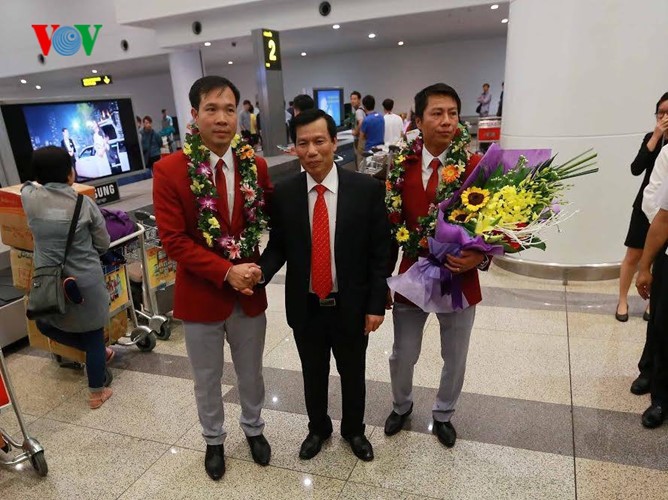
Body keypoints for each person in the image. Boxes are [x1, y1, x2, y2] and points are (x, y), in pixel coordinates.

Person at [152, 76, 273, 481]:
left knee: (251, 372)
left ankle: (254, 429)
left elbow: (268, 220)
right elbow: (173, 241)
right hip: (202, 297)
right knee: (206, 377)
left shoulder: (255, 165)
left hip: (250, 296)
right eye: (211, 109)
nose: (222, 118)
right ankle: (214, 440)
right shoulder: (170, 170)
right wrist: (226, 271)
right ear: (194, 115)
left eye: (228, 109)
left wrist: (255, 271)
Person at [256, 109, 390, 462]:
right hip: (307, 304)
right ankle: (318, 428)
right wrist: (259, 273)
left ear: (335, 142)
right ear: (294, 149)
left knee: (353, 372)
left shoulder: (365, 190)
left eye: (319, 141)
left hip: (351, 304)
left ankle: (354, 430)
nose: (312, 150)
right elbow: (279, 247)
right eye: (303, 143)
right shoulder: (284, 194)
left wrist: (376, 304)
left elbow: (381, 252)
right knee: (312, 372)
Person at [384, 83, 487, 448]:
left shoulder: (476, 167)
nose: (446, 122)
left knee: (455, 355)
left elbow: (498, 224)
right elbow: (387, 224)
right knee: (403, 352)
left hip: (460, 276)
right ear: (418, 120)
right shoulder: (400, 165)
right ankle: (401, 405)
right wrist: (384, 279)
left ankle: (444, 414)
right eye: (437, 114)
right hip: (412, 275)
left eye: (453, 114)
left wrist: (481, 255)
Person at [21, 146, 113, 409]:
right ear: (70, 174)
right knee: (94, 336)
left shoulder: (30, 199)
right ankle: (97, 392)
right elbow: (103, 243)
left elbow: (25, 185)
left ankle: (94, 355)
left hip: (48, 282)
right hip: (85, 283)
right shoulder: (85, 204)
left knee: (45, 324)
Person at [617, 93, 668, 324]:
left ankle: (652, 301)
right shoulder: (652, 138)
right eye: (661, 113)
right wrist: (656, 136)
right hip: (643, 207)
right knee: (633, 254)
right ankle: (622, 300)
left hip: (664, 211)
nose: (664, 117)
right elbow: (636, 168)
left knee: (659, 256)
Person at [633, 144, 668, 395]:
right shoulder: (665, 151)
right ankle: (652, 376)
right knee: (660, 319)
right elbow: (654, 201)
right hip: (663, 240)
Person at [350, 91, 366, 166]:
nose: (352, 101)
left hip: (359, 140)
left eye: (355, 99)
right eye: (351, 99)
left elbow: (361, 122)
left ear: (359, 100)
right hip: (364, 139)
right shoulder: (362, 110)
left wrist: (355, 132)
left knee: (360, 162)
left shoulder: (358, 112)